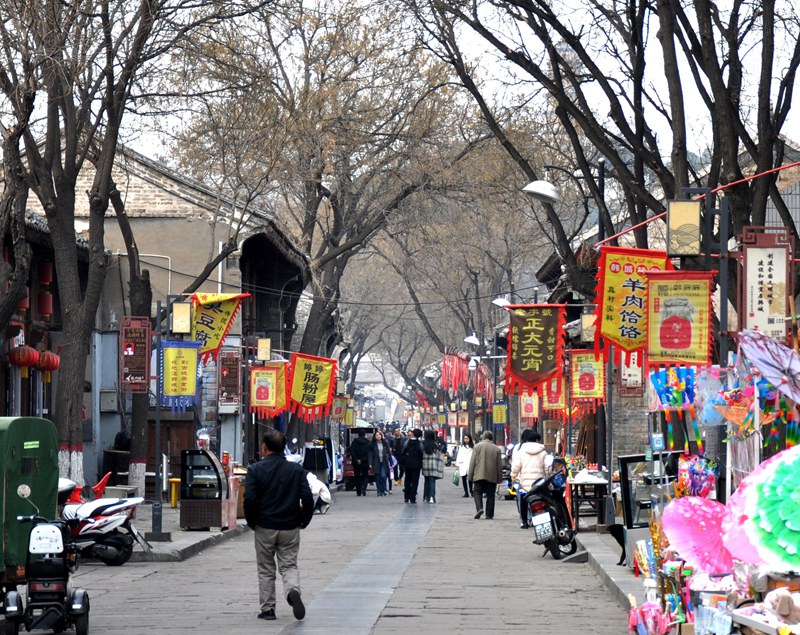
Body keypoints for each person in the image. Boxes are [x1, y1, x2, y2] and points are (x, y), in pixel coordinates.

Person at [244, 430, 314, 622]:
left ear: (264, 448)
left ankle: (268, 609)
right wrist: (304, 520)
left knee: (266, 568)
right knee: (289, 565)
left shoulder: (255, 470)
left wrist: (252, 521)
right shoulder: (296, 470)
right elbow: (307, 497)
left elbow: (249, 499)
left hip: (265, 525)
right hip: (290, 526)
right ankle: (292, 591)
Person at [511, 430, 549, 528]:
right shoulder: (543, 452)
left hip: (525, 483)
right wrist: (547, 476)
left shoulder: (521, 451)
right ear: (537, 440)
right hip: (538, 482)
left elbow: (516, 466)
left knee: (524, 501)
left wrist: (513, 476)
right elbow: (547, 468)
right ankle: (539, 521)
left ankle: (524, 522)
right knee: (540, 501)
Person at [468, 430, 503, 520]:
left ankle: (479, 508)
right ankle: (489, 514)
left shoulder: (477, 447)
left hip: (478, 475)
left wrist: (470, 476)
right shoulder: (497, 449)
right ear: (491, 438)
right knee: (491, 495)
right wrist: (499, 478)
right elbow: (499, 465)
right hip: (491, 475)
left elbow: (472, 463)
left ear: (483, 437)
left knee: (477, 492)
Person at [421, 430, 445, 503]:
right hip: (433, 465)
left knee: (426, 481)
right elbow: (439, 455)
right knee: (432, 481)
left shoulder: (423, 444)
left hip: (425, 465)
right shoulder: (435, 445)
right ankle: (431, 497)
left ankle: (425, 497)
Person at [401, 428, 423, 503]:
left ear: (413, 434)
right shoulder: (420, 444)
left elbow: (403, 451)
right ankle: (412, 498)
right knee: (415, 481)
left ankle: (406, 497)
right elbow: (422, 454)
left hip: (407, 464)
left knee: (407, 480)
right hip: (417, 465)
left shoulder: (407, 442)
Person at [368, 430, 392, 497]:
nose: (378, 436)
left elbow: (389, 453)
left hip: (384, 462)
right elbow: (370, 454)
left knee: (384, 476)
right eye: (376, 435)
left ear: (381, 436)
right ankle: (379, 491)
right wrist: (370, 463)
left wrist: (391, 462)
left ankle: (383, 489)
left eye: (379, 435)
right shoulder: (372, 444)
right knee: (377, 477)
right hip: (376, 462)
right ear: (374, 437)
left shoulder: (385, 443)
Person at [349, 429, 371, 496]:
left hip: (356, 462)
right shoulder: (368, 443)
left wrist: (357, 459)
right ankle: (363, 488)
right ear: (365, 434)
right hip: (365, 462)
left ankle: (358, 491)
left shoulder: (354, 442)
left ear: (358, 434)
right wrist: (362, 459)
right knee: (365, 476)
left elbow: (352, 451)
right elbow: (368, 453)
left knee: (357, 476)